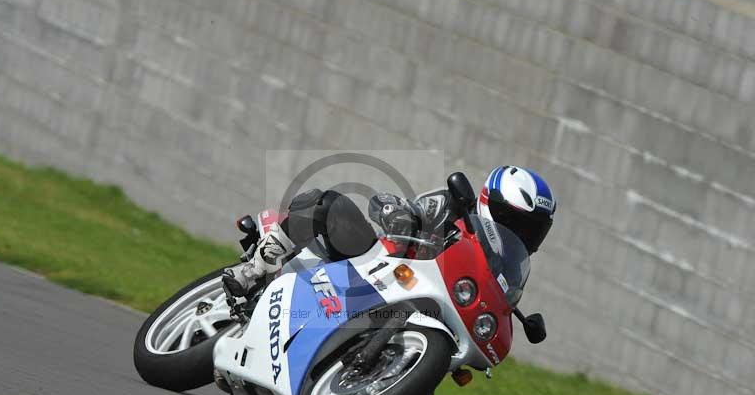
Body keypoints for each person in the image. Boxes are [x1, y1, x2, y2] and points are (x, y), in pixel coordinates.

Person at [222, 166, 556, 297]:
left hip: (406, 302)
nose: (519, 232)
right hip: (371, 266)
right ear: (490, 203)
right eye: (514, 220)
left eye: (531, 229)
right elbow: (384, 201)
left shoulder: (506, 271)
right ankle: (255, 270)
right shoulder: (449, 209)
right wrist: (397, 214)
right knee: (327, 204)